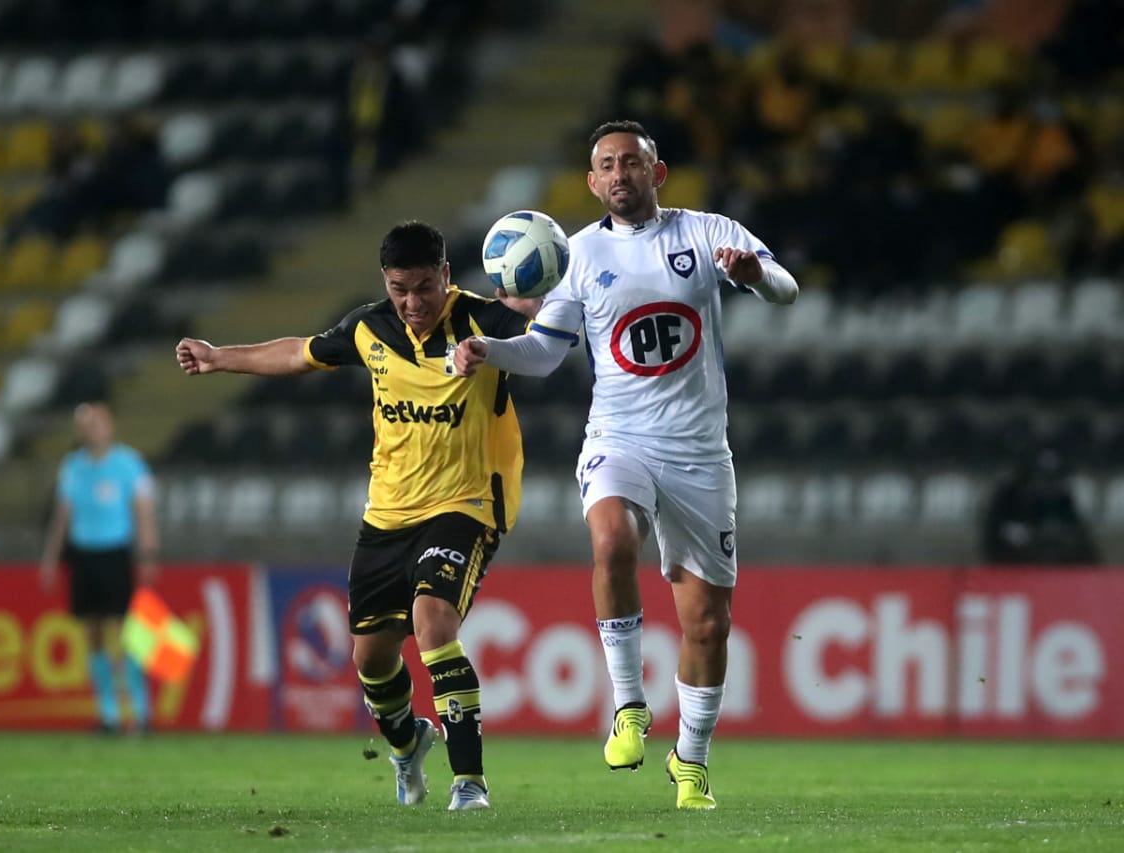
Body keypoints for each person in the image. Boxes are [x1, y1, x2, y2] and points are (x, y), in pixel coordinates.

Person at [453, 119, 798, 809]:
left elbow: (788, 289)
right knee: (612, 539)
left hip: (700, 450)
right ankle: (629, 704)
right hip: (620, 435)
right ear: (591, 181)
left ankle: (691, 761)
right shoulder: (576, 256)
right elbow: (547, 351)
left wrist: (756, 275)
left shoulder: (705, 233)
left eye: (632, 163)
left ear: (657, 172)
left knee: (706, 623)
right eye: (606, 165)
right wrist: (492, 351)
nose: (619, 175)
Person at [175, 221, 533, 811]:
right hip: (387, 513)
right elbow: (298, 353)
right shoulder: (369, 327)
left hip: (465, 504)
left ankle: (469, 782)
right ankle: (407, 743)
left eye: (424, 287)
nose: (413, 303)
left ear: (446, 275)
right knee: (371, 658)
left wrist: (539, 308)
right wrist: (220, 358)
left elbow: (547, 339)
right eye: (400, 290)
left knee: (433, 619)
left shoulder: (485, 322)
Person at [39, 402, 160, 734]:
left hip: (115, 554)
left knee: (126, 634)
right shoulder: (72, 467)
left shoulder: (128, 464)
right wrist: (51, 557)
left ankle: (139, 711)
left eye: (98, 423)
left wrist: (148, 552)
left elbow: (144, 510)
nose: (92, 430)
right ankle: (107, 714)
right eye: (87, 425)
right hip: (83, 555)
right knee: (92, 635)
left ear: (110, 427)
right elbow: (62, 517)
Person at [981, 445, 1099, 565]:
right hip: (1013, 558)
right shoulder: (1008, 493)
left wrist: (1060, 532)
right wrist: (1010, 531)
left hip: (1054, 554)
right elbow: (993, 527)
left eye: (1051, 478)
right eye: (1042, 477)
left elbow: (1076, 528)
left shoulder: (1061, 496)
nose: (1046, 483)